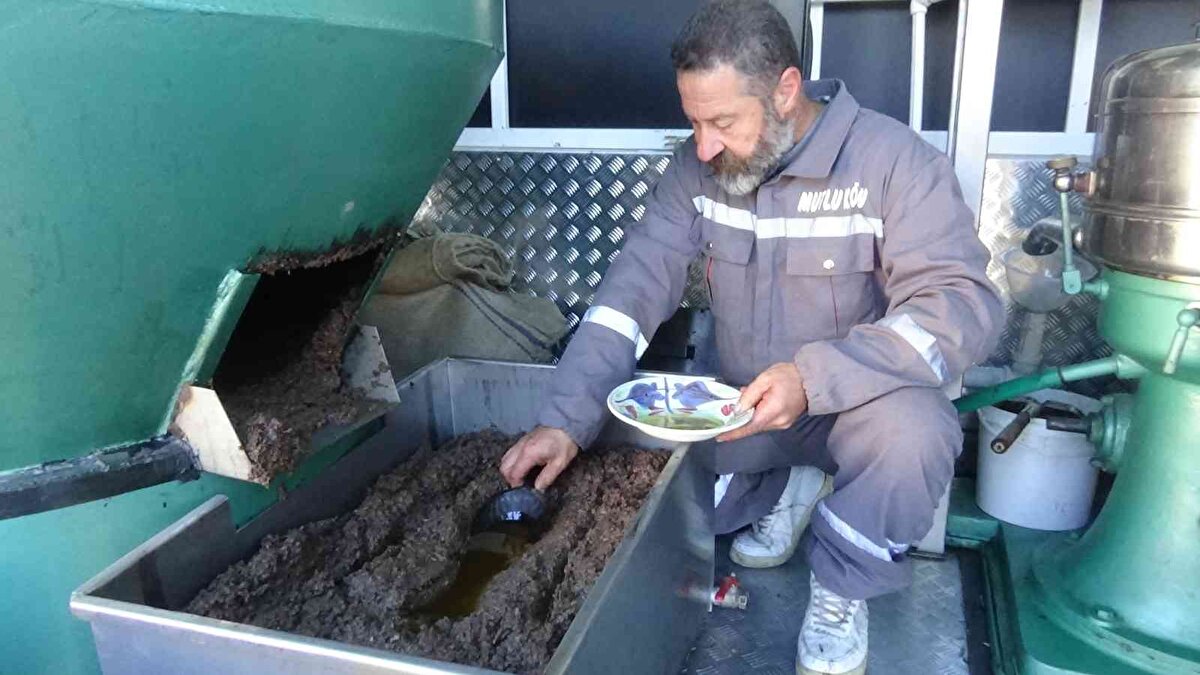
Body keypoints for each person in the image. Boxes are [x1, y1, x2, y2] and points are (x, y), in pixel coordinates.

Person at [499, 1, 1003, 673]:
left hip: (850, 408)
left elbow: (961, 305)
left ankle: (839, 588)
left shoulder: (893, 164)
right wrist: (563, 420)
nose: (702, 146)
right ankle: (784, 485)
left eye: (722, 122)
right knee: (675, 521)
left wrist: (816, 379)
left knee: (918, 434)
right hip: (738, 410)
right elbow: (630, 295)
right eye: (692, 121)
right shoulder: (696, 168)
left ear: (786, 92)